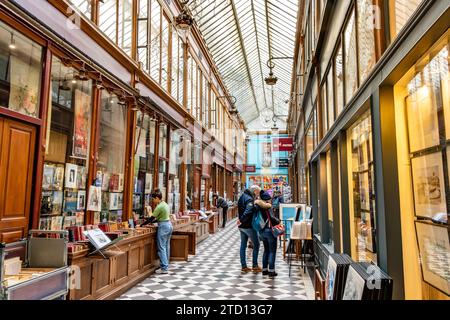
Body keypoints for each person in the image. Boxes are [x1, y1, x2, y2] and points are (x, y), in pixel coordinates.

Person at [237, 185, 266, 273]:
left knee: (243, 245)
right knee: (256, 244)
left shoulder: (242, 196)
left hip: (242, 227)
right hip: (248, 226)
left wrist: (240, 221)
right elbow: (248, 211)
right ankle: (255, 265)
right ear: (254, 191)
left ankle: (244, 266)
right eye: (257, 192)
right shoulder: (249, 199)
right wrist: (241, 220)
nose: (257, 194)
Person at [143, 189, 173, 274]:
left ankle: (164, 268)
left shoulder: (159, 206)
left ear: (157, 198)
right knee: (166, 246)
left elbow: (152, 218)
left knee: (161, 247)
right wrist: (151, 222)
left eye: (153, 199)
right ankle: (166, 264)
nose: (153, 200)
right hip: (169, 225)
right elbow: (160, 218)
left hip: (163, 227)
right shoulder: (165, 204)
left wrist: (142, 225)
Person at [256, 191, 280, 278]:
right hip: (269, 231)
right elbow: (272, 219)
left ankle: (264, 270)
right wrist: (278, 221)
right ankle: (271, 271)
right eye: (269, 199)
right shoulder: (267, 207)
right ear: (267, 199)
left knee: (266, 250)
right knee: (272, 251)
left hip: (261, 231)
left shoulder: (258, 206)